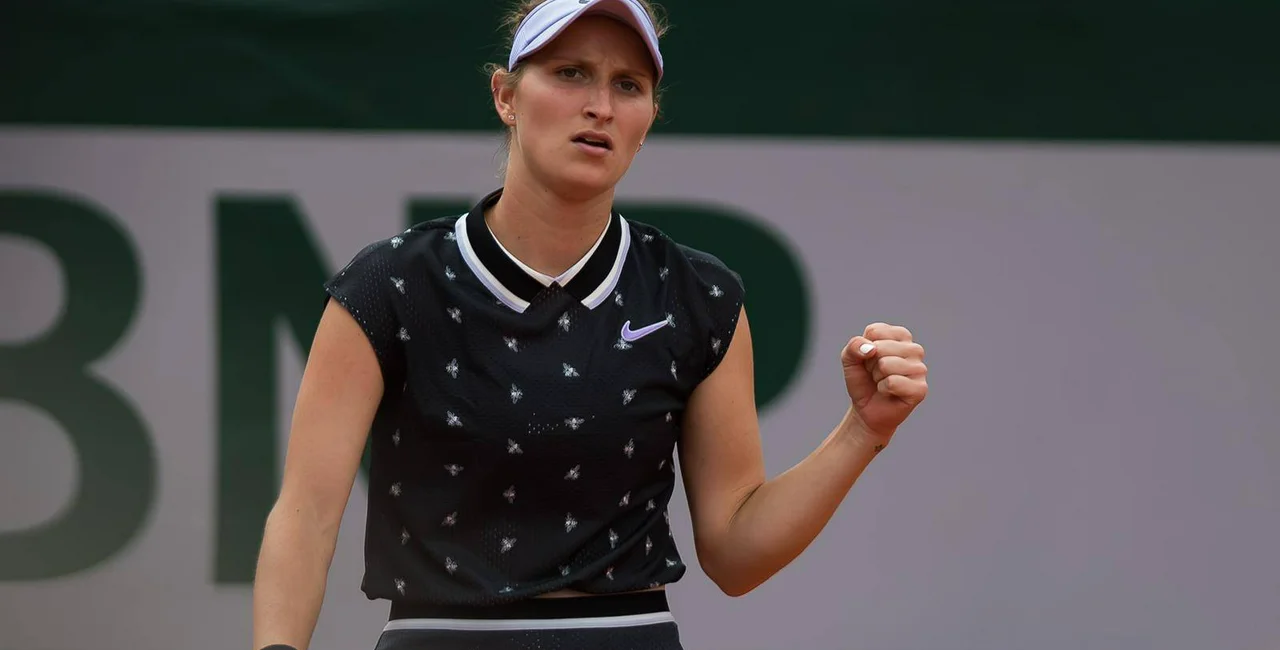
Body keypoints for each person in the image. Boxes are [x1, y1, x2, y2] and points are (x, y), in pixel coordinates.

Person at [250, 0, 929, 648]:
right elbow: (306, 516)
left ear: (648, 118)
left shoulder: (697, 295)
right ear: (506, 97)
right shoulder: (388, 284)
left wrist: (861, 431)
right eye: (570, 72)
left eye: (627, 85)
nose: (600, 106)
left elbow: (736, 553)